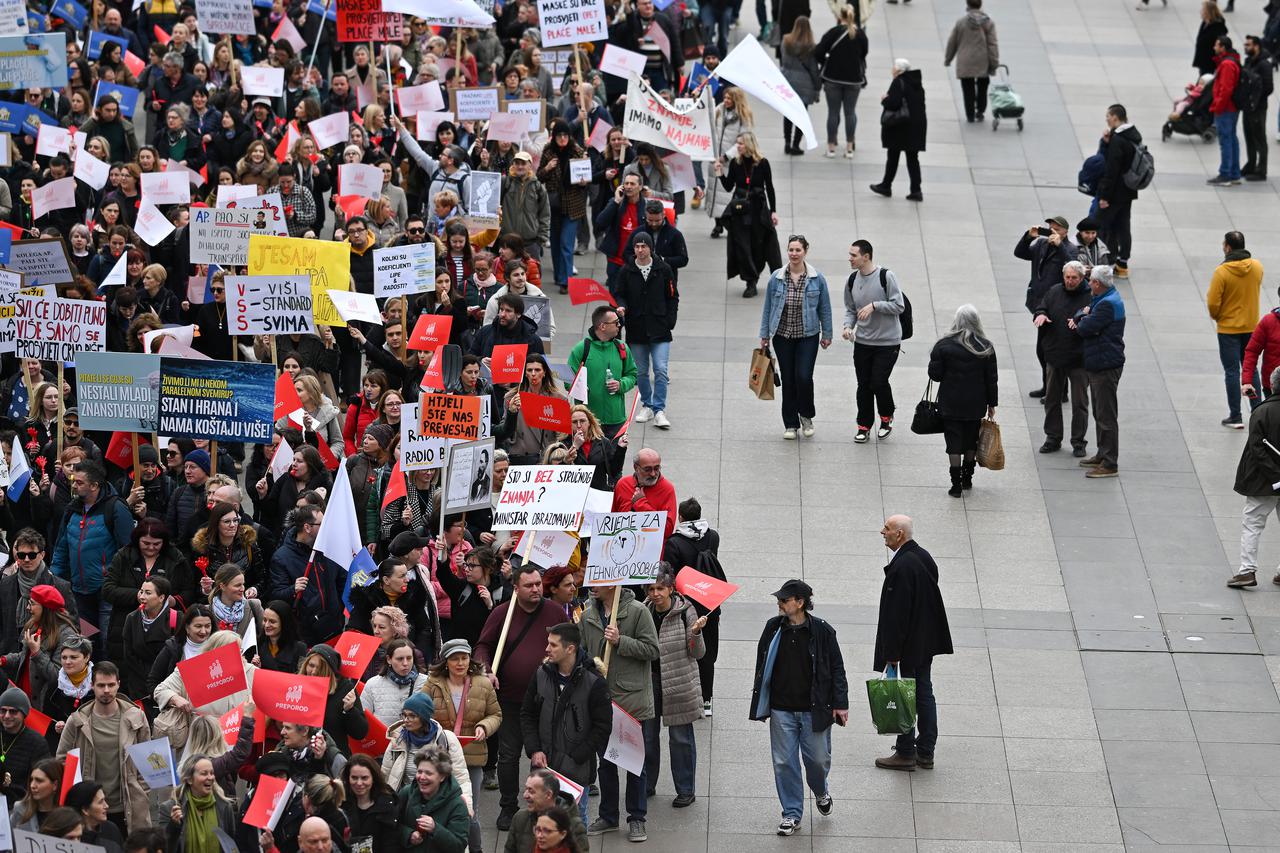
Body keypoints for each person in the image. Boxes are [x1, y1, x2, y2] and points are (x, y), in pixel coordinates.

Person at [748, 579, 849, 837]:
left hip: (814, 709)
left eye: (784, 600)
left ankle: (821, 791)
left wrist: (840, 703)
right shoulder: (773, 628)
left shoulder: (823, 631)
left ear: (800, 603)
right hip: (781, 708)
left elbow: (837, 668)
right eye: (779, 600)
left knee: (817, 759)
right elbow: (762, 663)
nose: (779, 604)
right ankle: (792, 813)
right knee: (784, 763)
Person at [474, 565, 567, 830]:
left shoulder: (555, 612)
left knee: (543, 756)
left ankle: (540, 807)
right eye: (529, 585)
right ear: (516, 588)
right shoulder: (502, 613)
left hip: (547, 700)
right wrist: (486, 670)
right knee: (508, 755)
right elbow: (483, 646)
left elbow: (573, 645)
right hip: (510, 699)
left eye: (538, 584)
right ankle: (508, 807)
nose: (536, 589)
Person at [578, 585, 659, 843]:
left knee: (635, 763)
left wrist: (621, 641)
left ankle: (636, 818)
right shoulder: (588, 614)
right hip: (601, 702)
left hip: (631, 701)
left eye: (598, 582)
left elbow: (652, 650)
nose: (592, 586)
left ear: (613, 584)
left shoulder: (637, 612)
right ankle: (609, 815)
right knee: (607, 762)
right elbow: (582, 651)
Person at [873, 515, 953, 771]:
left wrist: (892, 653)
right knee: (923, 693)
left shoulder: (903, 567)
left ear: (900, 534)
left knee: (906, 695)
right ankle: (926, 750)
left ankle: (906, 750)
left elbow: (897, 615)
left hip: (907, 646)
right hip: (924, 642)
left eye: (887, 528)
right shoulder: (923, 557)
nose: (882, 532)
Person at [519, 623, 611, 826]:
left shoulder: (594, 682)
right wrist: (534, 750)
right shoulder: (541, 674)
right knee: (541, 823)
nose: (546, 649)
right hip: (544, 765)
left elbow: (603, 727)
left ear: (570, 648)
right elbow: (527, 714)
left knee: (575, 822)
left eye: (553, 645)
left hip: (576, 769)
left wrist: (577, 756)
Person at [57, 661, 152, 836]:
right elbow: (62, 760)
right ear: (92, 686)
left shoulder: (137, 718)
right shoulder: (77, 721)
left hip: (128, 807)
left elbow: (149, 763)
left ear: (118, 685)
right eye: (101, 685)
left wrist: (141, 791)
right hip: (89, 810)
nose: (106, 690)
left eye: (111, 685)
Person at [50, 460, 135, 655]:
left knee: (107, 642)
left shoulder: (115, 508)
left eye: (79, 483)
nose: (73, 485)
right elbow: (61, 547)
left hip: (106, 591)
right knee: (86, 643)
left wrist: (117, 582)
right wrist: (54, 578)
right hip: (79, 591)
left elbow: (127, 550)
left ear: (94, 485)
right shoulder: (72, 509)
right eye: (73, 481)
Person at [425, 637, 501, 848]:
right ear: (445, 662)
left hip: (472, 756)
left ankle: (475, 849)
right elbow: (422, 714)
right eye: (455, 659)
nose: (460, 663)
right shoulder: (432, 684)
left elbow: (495, 714)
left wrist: (484, 726)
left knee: (469, 810)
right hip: (441, 757)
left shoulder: (483, 684)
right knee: (440, 810)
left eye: (464, 658)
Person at [759, 235, 833, 440]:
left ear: (805, 252)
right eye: (791, 250)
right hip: (782, 336)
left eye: (798, 250)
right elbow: (768, 308)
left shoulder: (817, 279)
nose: (793, 254)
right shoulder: (776, 277)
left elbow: (824, 308)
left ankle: (806, 416)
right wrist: (764, 334)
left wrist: (827, 334)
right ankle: (790, 424)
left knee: (804, 376)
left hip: (808, 335)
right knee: (789, 379)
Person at [642, 568, 705, 808]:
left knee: (680, 739)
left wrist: (696, 633)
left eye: (660, 588)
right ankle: (647, 784)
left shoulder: (685, 612)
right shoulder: (644, 610)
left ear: (671, 589)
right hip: (650, 681)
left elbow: (698, 653)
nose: (656, 593)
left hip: (678, 683)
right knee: (647, 737)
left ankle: (686, 790)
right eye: (651, 589)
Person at [928, 306, 999, 497]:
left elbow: (935, 375)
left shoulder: (943, 345)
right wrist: (992, 404)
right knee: (970, 441)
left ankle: (955, 485)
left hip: (950, 403)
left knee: (953, 442)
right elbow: (991, 379)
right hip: (975, 404)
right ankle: (967, 479)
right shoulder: (985, 346)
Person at [843, 239, 906, 444]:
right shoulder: (852, 280)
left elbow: (898, 305)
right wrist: (847, 327)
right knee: (864, 385)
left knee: (878, 381)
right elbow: (851, 309)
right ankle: (864, 425)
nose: (850, 258)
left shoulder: (885, 276)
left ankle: (886, 417)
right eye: (850, 254)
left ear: (866, 256)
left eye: (854, 255)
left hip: (888, 342)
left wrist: (875, 305)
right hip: (863, 342)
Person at [616, 232, 679, 430]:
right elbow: (619, 293)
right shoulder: (626, 271)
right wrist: (621, 307)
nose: (640, 250)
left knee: (660, 369)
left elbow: (672, 296)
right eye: (637, 246)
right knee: (641, 371)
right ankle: (648, 405)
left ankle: (659, 409)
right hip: (637, 328)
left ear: (651, 248)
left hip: (660, 328)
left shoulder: (664, 269)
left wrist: (670, 321)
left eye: (644, 246)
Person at [1070, 265, 1127, 478]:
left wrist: (1082, 318)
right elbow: (1083, 314)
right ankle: (1103, 454)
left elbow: (1083, 328)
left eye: (1090, 280)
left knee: (1106, 416)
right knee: (1099, 412)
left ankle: (1110, 462)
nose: (1089, 284)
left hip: (1105, 365)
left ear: (1097, 283)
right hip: (1099, 363)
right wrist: (1083, 315)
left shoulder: (1106, 305)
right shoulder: (1104, 299)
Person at [1034, 262, 1093, 457]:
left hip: (1079, 360)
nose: (1069, 281)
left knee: (1079, 404)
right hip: (1055, 355)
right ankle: (1053, 437)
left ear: (1082, 277)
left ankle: (1078, 442)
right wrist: (1041, 315)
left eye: (1074, 278)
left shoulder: (1091, 296)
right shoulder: (1055, 291)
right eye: (1067, 277)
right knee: (1052, 399)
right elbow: (1041, 307)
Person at [1229, 365, 1280, 587]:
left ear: (1272, 384)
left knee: (1252, 523)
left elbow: (1257, 449)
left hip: (1263, 482)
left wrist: (1276, 476)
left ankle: (1247, 571)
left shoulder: (1261, 411)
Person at [713, 132, 780, 297]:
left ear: (749, 144)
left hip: (758, 210)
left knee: (762, 243)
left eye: (740, 144)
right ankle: (751, 281)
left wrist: (773, 211)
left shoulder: (763, 163)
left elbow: (769, 188)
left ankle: (773, 277)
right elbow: (729, 187)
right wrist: (719, 172)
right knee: (743, 246)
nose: (738, 147)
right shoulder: (736, 163)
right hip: (741, 212)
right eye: (737, 144)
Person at [1208, 231, 1264, 428]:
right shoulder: (1257, 267)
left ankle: (1235, 415)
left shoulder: (1222, 272)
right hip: (1251, 326)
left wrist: (1219, 317)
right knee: (1251, 369)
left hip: (1228, 329)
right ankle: (1257, 410)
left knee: (1232, 371)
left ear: (1228, 247)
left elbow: (1213, 303)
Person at [1015, 216, 1075, 398]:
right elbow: (1020, 253)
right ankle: (1048, 386)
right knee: (1042, 349)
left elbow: (1073, 267)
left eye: (1057, 229)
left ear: (1065, 232)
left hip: (1058, 306)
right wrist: (1028, 237)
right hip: (1040, 303)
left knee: (1051, 349)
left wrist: (1060, 246)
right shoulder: (1041, 244)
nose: (1052, 231)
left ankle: (1059, 390)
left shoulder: (1070, 248)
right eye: (1050, 228)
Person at [0, 528, 76, 662]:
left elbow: (72, 627)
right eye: (22, 555)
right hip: (9, 659)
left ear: (42, 555)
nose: (27, 559)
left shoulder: (60, 587)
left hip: (47, 660)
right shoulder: (5, 585)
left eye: (32, 555)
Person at [568, 306, 638, 438]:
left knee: (616, 457)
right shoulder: (581, 349)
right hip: (588, 420)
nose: (620, 325)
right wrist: (581, 389)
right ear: (602, 326)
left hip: (616, 419)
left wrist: (621, 384)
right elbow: (569, 380)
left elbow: (632, 374)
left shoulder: (622, 347)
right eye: (616, 323)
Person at [870, 59, 927, 201]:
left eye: (894, 67)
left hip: (900, 127)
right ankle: (916, 190)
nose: (892, 69)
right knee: (912, 159)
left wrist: (884, 99)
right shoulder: (916, 83)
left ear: (898, 70)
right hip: (916, 126)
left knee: (893, 157)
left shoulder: (898, 82)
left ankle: (886, 186)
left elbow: (894, 104)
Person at [814, 6, 868, 158]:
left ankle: (831, 147)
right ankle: (849, 148)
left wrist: (826, 60)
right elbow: (864, 54)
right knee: (850, 113)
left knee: (833, 112)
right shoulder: (860, 34)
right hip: (854, 80)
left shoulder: (833, 32)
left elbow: (818, 52)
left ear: (839, 16)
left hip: (832, 78)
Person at [397, 745, 471, 853]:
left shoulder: (457, 804)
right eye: (419, 771)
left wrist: (435, 829)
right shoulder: (406, 793)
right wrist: (408, 835)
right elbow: (390, 825)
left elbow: (458, 846)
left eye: (428, 773)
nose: (422, 777)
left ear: (442, 777)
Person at [1097, 104, 1142, 279]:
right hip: (1128, 190)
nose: (1106, 119)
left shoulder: (1118, 140)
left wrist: (1105, 196)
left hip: (1115, 192)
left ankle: (1105, 261)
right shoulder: (1133, 135)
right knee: (1124, 225)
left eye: (1108, 116)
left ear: (1115, 117)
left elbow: (1112, 169)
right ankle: (1122, 263)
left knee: (1101, 225)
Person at [160, 754, 239, 853]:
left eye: (212, 773)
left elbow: (232, 846)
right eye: (204, 773)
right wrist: (174, 826)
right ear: (189, 779)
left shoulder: (224, 807)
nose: (210, 778)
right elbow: (164, 849)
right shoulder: (170, 808)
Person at [504, 771, 589, 853]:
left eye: (531, 791)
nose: (525, 795)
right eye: (526, 789)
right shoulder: (520, 818)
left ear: (548, 794)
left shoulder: (574, 825)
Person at [943, 0, 999, 124]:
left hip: (965, 60)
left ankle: (970, 115)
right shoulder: (988, 22)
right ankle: (980, 110)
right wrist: (994, 62)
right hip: (983, 60)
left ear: (967, 5)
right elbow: (992, 44)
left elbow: (952, 42)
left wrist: (948, 59)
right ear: (980, 5)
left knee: (967, 88)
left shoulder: (961, 23)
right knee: (983, 85)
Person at [0, 686, 52, 804]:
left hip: (21, 805)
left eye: (13, 711)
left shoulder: (36, 742)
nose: (7, 716)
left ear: (24, 714)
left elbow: (42, 779)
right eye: (3, 710)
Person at [362, 638, 429, 726]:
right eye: (400, 659)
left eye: (409, 658)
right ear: (389, 659)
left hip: (415, 739)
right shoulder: (372, 684)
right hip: (383, 738)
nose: (405, 663)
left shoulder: (426, 682)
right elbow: (363, 719)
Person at [611, 449, 678, 538]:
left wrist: (641, 504)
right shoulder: (622, 484)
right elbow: (613, 520)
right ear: (636, 468)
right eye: (648, 469)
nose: (653, 474)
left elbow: (667, 530)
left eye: (657, 468)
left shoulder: (667, 489)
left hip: (652, 549)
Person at [779, 17, 820, 154]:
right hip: (805, 83)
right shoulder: (810, 46)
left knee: (788, 115)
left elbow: (783, 60)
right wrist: (817, 86)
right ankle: (796, 145)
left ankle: (786, 143)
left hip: (788, 80)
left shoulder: (786, 41)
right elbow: (813, 68)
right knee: (801, 116)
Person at [342, 754, 399, 852]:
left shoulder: (386, 805)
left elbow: (391, 844)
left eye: (364, 778)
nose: (359, 783)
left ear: (373, 779)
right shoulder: (341, 803)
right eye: (354, 778)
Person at [1209, 36, 1244, 186]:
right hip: (1231, 108)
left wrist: (1217, 106)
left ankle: (1226, 174)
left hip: (1226, 108)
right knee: (1231, 138)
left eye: (1216, 45)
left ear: (1223, 47)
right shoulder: (1231, 61)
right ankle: (1234, 173)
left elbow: (1226, 89)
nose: (1214, 48)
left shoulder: (1227, 64)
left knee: (1226, 140)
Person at [1242, 35, 1274, 180]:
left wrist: (1255, 100)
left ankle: (1261, 170)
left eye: (1248, 45)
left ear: (1256, 46)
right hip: (1248, 107)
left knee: (1259, 138)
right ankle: (1251, 164)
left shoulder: (1264, 65)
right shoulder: (1249, 61)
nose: (1246, 47)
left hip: (1258, 108)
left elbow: (1268, 87)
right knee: (1249, 136)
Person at [65, 781, 127, 853]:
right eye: (100, 802)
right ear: (85, 810)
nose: (106, 806)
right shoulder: (71, 835)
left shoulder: (111, 830)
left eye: (104, 800)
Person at [8, 758, 61, 833]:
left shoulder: (66, 815)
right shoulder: (20, 809)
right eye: (31, 780)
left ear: (55, 785)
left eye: (39, 781)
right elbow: (9, 839)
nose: (32, 785)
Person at [1194, 0, 1229, 76]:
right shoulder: (1205, 22)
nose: (1201, 11)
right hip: (1203, 60)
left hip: (1209, 61)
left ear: (1208, 12)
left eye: (1203, 10)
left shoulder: (1217, 27)